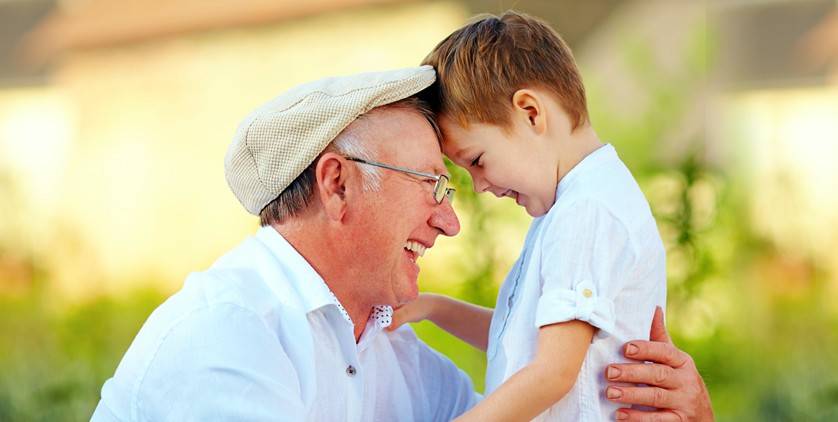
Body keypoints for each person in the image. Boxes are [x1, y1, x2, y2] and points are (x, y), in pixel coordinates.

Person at [91, 66, 478, 421]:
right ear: (337, 186)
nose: (449, 223)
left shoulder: (382, 341)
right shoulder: (227, 332)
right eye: (432, 185)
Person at [390, 11, 667, 421]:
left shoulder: (586, 213)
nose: (480, 185)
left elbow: (553, 372)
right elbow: (521, 341)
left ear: (531, 113)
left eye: (478, 160)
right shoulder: (572, 205)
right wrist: (431, 307)